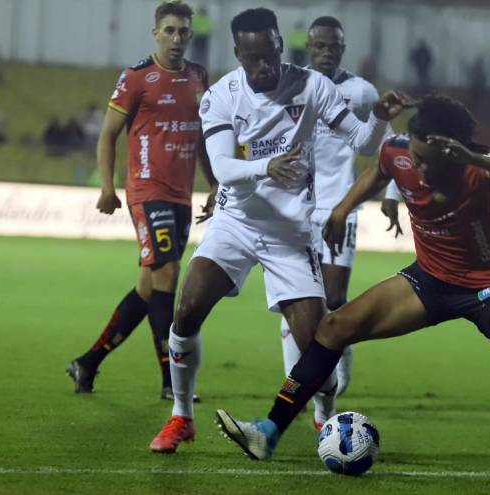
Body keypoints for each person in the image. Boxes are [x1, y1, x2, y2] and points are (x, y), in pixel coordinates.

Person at [213, 95, 490, 494]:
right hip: (428, 281)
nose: (419, 169)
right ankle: (268, 432)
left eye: (429, 161)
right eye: (417, 157)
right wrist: (344, 208)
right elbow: (379, 171)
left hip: (488, 288)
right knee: (334, 327)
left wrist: (469, 157)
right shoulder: (400, 152)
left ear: (451, 149)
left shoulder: (476, 165)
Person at [147, 7, 407, 453]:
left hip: (290, 233)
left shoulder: (313, 87)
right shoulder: (221, 95)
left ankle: (324, 416)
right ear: (238, 54)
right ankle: (181, 416)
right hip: (236, 222)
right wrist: (267, 165)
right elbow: (225, 168)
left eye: (269, 55)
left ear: (281, 47)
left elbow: (363, 142)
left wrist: (380, 117)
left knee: (318, 347)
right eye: (252, 59)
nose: (263, 66)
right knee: (186, 309)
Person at [66, 0, 216, 402]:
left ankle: (88, 362)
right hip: (147, 192)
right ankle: (171, 381)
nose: (177, 38)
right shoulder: (136, 78)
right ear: (156, 34)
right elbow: (108, 133)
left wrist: (215, 182)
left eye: (184, 31)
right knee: (167, 273)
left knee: (148, 288)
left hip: (182, 196)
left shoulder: (200, 77)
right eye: (169, 30)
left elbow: (202, 136)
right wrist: (107, 188)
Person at [277, 15, 403, 430]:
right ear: (308, 46)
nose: (327, 52)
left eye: (334, 46)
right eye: (320, 45)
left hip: (340, 208)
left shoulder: (361, 91)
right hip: (295, 210)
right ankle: (313, 404)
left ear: (342, 49)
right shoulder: (291, 86)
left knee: (331, 300)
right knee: (292, 305)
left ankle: (336, 360)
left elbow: (385, 142)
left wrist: (392, 193)